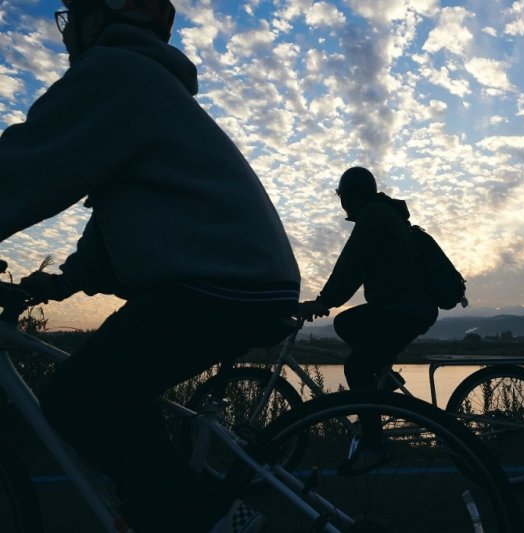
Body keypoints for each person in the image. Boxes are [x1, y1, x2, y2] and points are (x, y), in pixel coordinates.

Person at [0, 1, 300, 531]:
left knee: (77, 398)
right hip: (241, 281)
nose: (67, 34)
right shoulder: (148, 87)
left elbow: (26, 167)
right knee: (120, 399)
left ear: (101, 15)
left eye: (71, 15)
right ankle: (177, 509)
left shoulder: (115, 73)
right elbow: (115, 235)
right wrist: (50, 284)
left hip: (218, 285)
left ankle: (213, 520)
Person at [297, 167, 438, 471]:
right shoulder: (383, 213)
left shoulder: (373, 216)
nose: (342, 204)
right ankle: (385, 377)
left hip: (405, 309)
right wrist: (330, 301)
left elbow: (351, 263)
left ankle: (374, 447)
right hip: (402, 307)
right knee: (345, 323)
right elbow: (358, 269)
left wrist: (323, 300)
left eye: (341, 196)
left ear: (349, 195)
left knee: (356, 368)